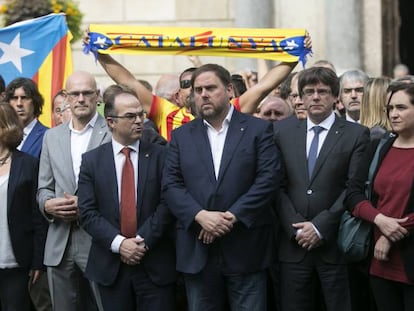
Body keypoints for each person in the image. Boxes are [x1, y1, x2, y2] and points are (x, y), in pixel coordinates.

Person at [162, 63, 279, 311]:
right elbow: (171, 185)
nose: (203, 94)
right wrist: (200, 216)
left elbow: (268, 179)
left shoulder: (258, 129)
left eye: (211, 88)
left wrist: (231, 217)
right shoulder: (182, 136)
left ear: (229, 90)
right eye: (198, 89)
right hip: (198, 249)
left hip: (246, 248)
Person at [84, 29, 310, 140]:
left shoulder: (232, 112)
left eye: (205, 86)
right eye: (188, 84)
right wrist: (98, 50)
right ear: (176, 94)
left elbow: (263, 87)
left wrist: (295, 53)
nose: (197, 90)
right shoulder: (166, 114)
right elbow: (129, 82)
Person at [273, 67, 370, 311]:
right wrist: (296, 227)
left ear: (335, 97)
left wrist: (319, 226)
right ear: (301, 98)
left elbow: (353, 187)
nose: (316, 97)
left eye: (323, 92)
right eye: (309, 92)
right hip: (293, 245)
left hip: (334, 245)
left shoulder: (356, 135)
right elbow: (275, 185)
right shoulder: (282, 132)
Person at [77, 87, 176, 311]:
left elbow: (168, 203)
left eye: (141, 114)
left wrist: (141, 242)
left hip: (155, 263)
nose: (139, 121)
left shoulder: (162, 155)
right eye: (130, 116)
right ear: (111, 122)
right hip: (111, 267)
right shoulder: (92, 161)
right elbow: (88, 211)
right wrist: (120, 244)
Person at [37, 71, 110, 311]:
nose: (81, 99)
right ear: (66, 98)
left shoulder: (112, 133)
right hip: (60, 240)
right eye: (75, 94)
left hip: (100, 240)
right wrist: (48, 205)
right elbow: (44, 188)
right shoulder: (52, 136)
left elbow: (122, 186)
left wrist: (87, 203)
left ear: (97, 97)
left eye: (87, 93)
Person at [345, 82, 414, 311]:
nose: (393, 114)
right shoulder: (379, 146)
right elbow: (353, 193)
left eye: (401, 107)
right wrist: (379, 220)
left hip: (408, 256)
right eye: (390, 108)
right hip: (378, 260)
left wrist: (391, 234)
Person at [0, 103, 47, 311]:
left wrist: (38, 262)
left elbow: (38, 218)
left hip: (17, 263)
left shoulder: (28, 165)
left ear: (5, 126)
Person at [5, 77, 48, 158]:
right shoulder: (3, 135)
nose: (19, 103)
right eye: (14, 98)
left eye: (24, 97)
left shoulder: (47, 136)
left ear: (35, 102)